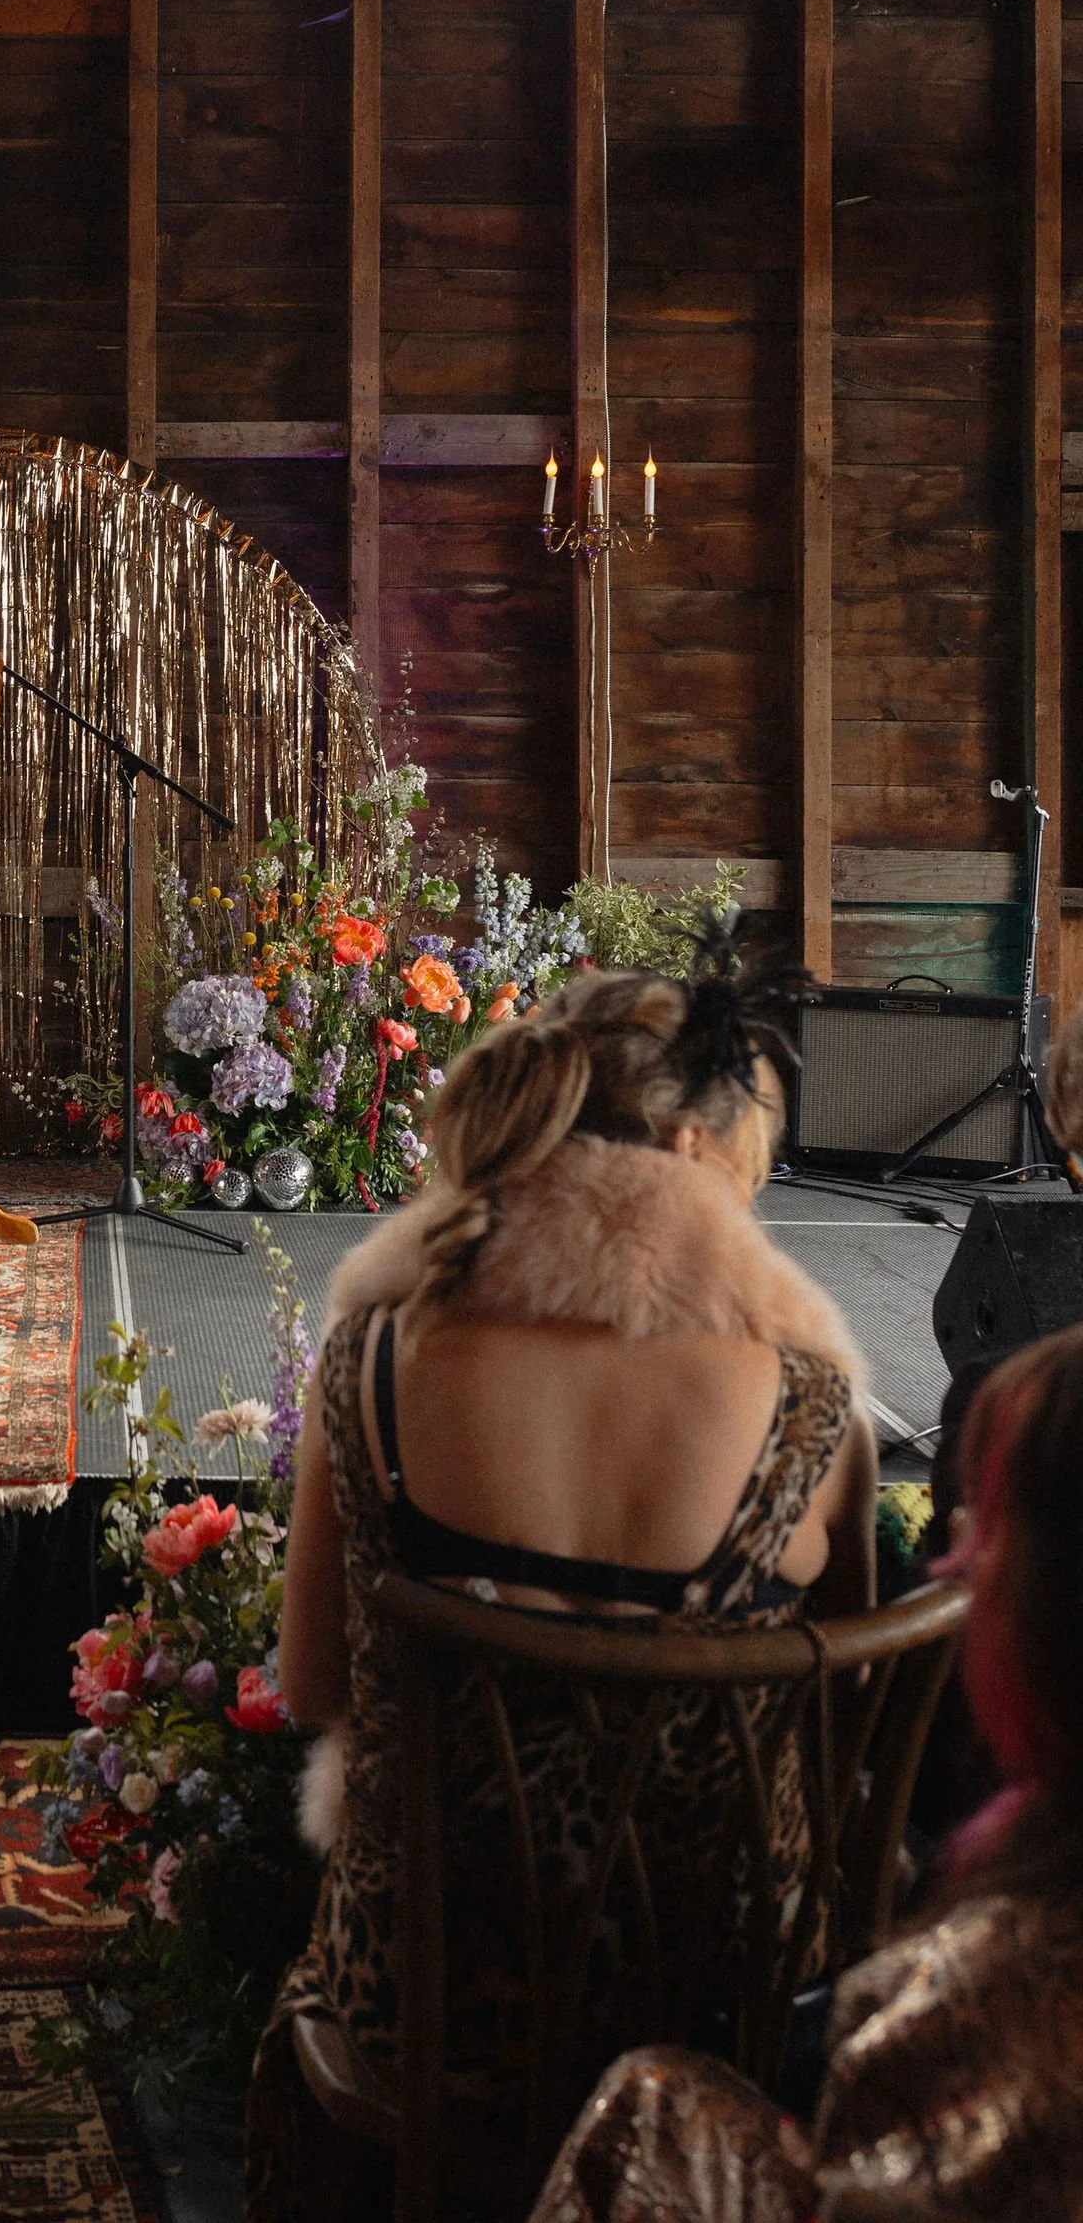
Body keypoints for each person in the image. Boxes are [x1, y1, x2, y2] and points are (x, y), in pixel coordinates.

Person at [248, 946, 877, 2223]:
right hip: (728, 2015)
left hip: (429, 2002)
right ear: (702, 1153)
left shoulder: (374, 1354)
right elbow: (842, 1722)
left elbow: (310, 1681)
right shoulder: (815, 1405)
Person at [528, 1318, 1083, 2223]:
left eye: (987, 1545)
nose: (955, 1561)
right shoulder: (818, 1405)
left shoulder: (967, 2009)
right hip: (790, 1950)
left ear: (1047, 1629)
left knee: (644, 2106)